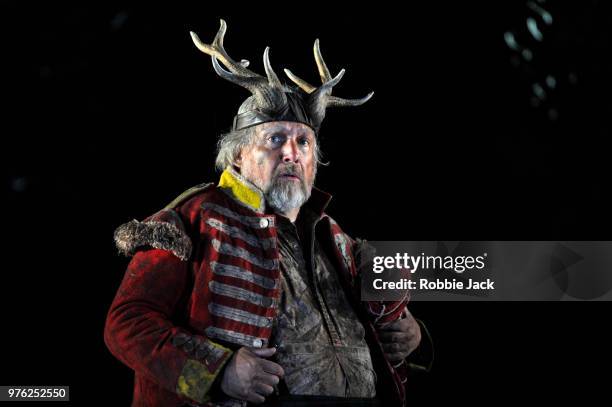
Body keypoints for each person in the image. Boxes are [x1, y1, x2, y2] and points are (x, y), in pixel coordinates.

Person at [104, 19, 432, 407]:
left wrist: (414, 337)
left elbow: (376, 329)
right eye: (275, 139)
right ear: (239, 155)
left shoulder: (335, 236)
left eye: (303, 142)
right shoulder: (193, 219)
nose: (292, 153)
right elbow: (127, 324)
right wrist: (219, 370)